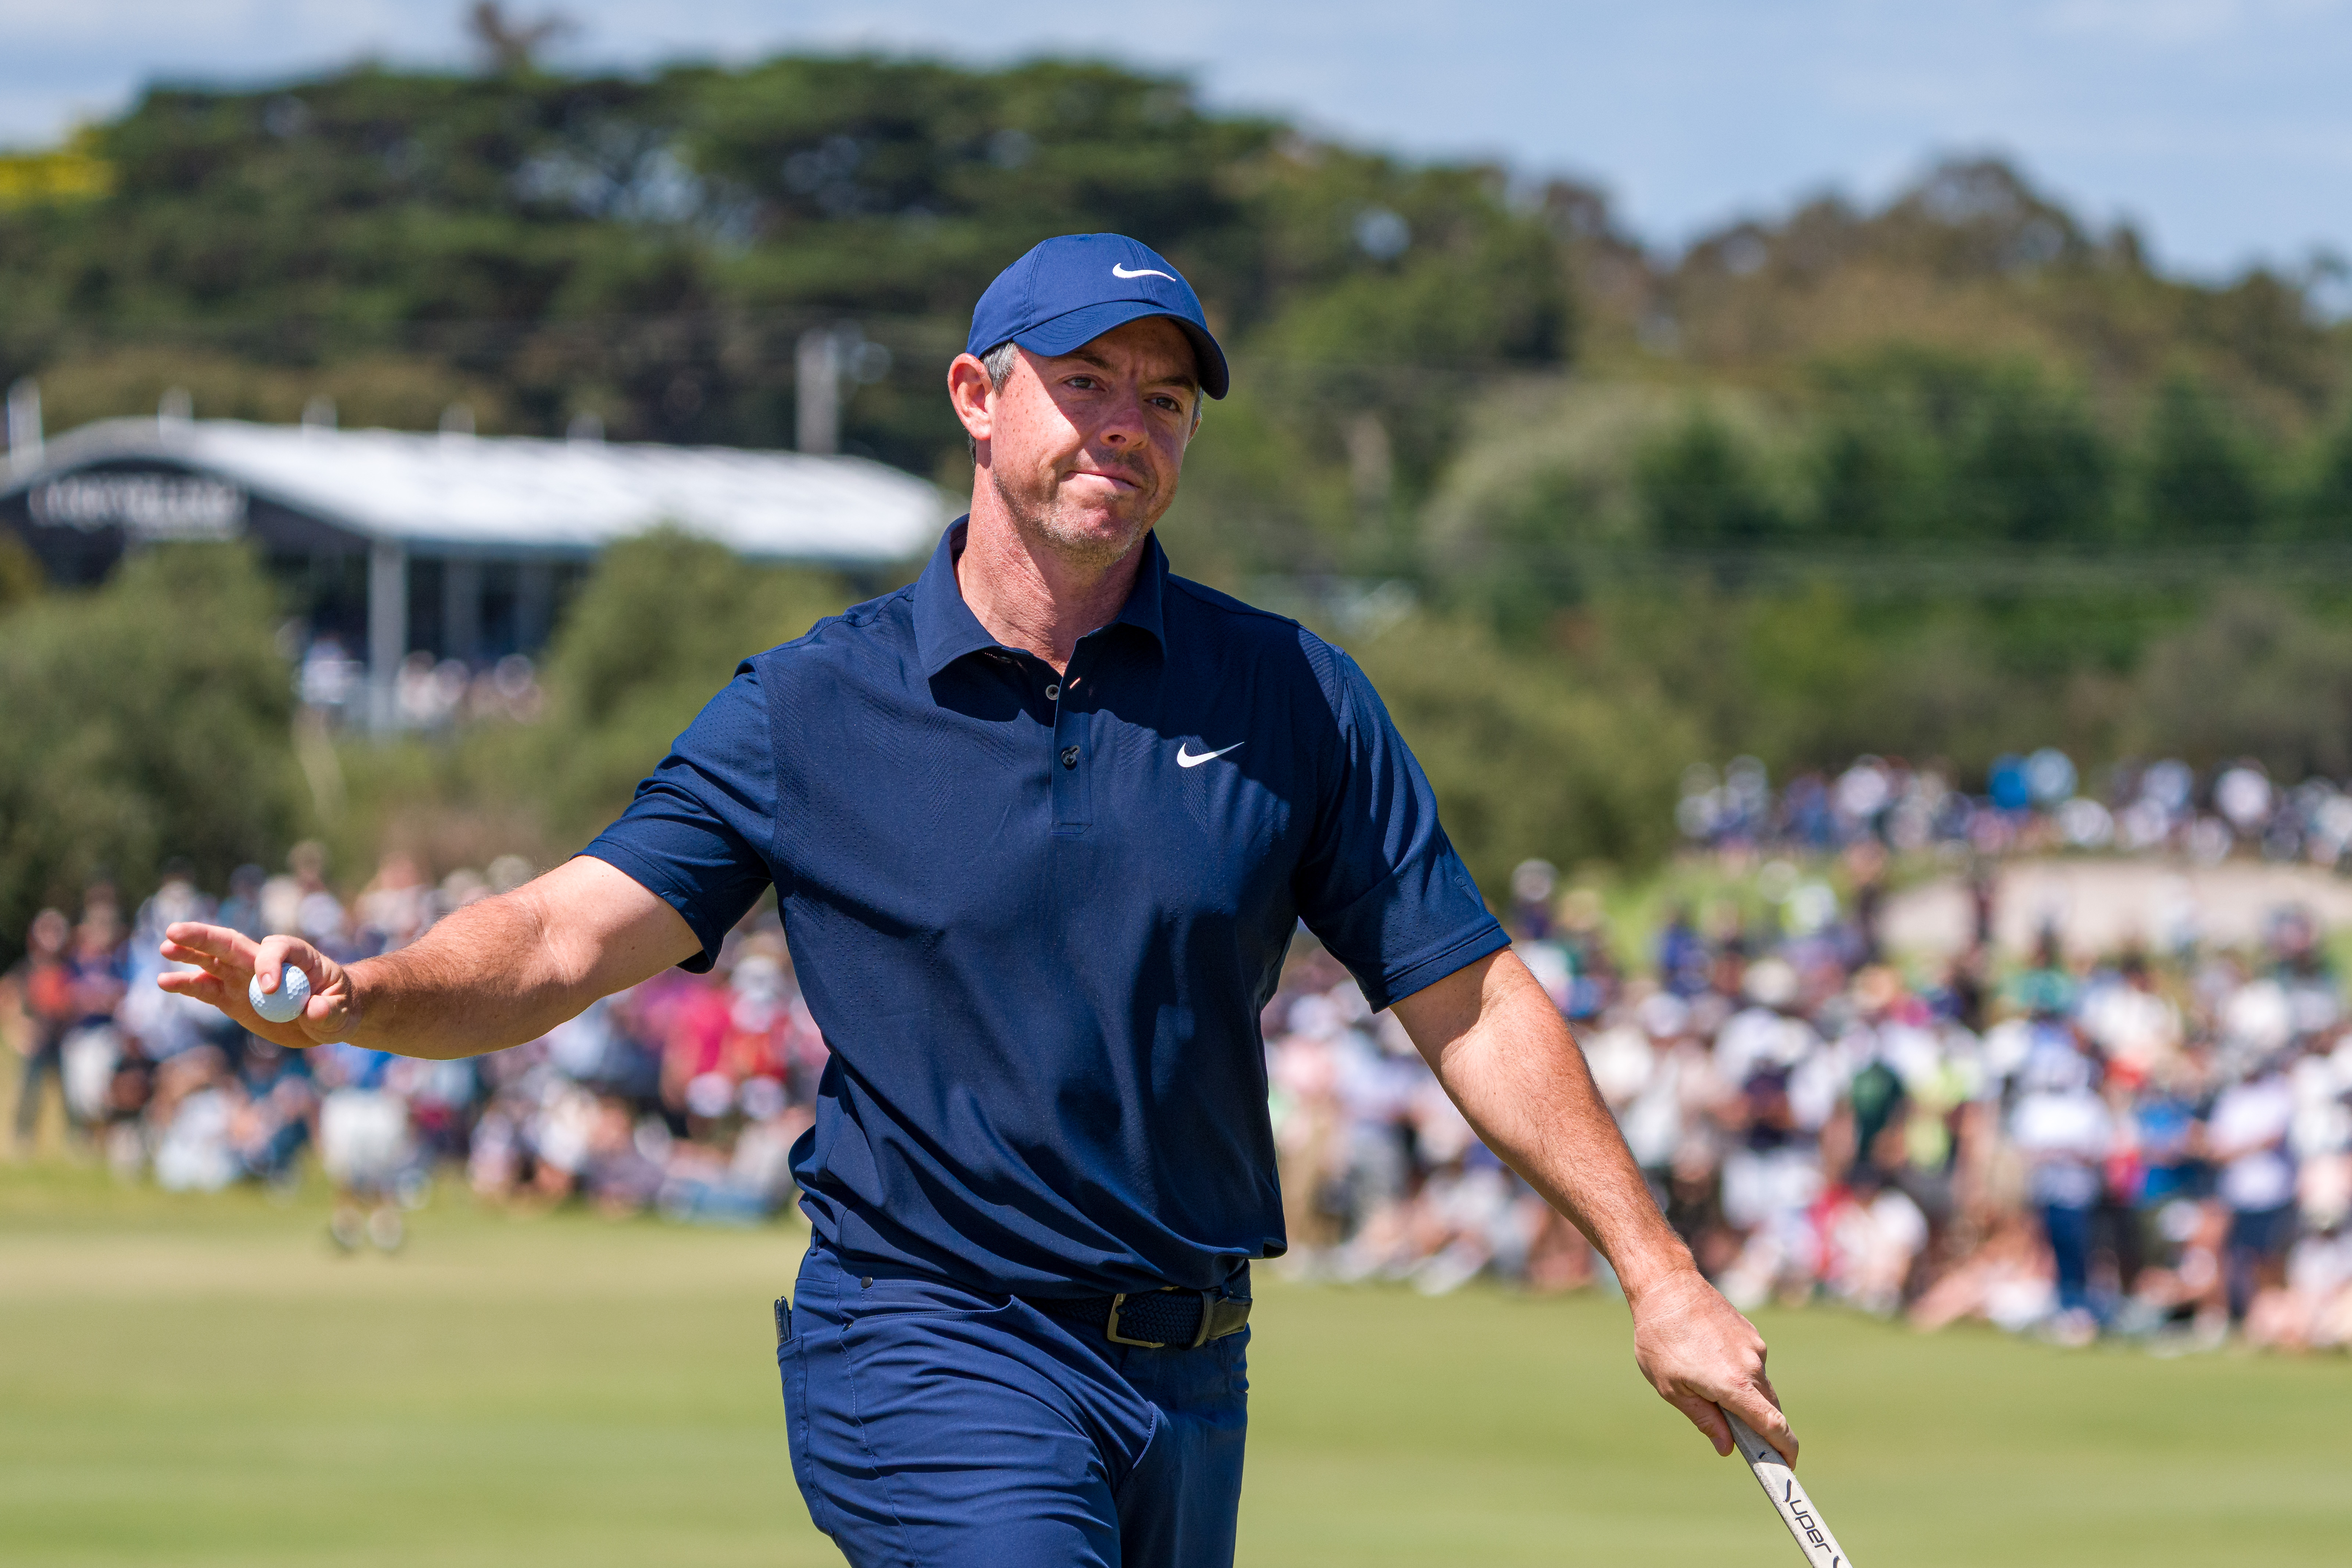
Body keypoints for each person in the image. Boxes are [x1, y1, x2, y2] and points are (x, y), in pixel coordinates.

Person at [159, 232, 1793, 1567]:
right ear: (976, 397)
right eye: (1083, 382)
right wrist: (365, 990)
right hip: (929, 1337)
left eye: (1163, 398)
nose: (1125, 424)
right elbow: (565, 934)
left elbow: (1473, 995)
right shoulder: (811, 706)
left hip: (1192, 1368)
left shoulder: (1293, 692)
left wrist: (1657, 1271)